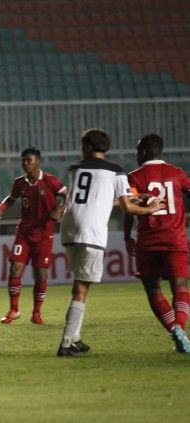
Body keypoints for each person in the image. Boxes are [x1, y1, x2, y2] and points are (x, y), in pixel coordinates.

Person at [57, 129, 163, 357]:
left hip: (69, 230)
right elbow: (128, 209)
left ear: (86, 147)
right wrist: (149, 208)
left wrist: (133, 197)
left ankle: (75, 337)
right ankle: (66, 343)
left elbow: (97, 198)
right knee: (82, 287)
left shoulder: (75, 169)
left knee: (80, 282)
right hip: (91, 232)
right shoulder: (116, 171)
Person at [122, 134, 190, 353]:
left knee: (153, 289)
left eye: (136, 151)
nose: (135, 155)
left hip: (149, 241)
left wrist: (126, 236)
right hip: (175, 239)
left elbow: (130, 205)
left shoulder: (134, 177)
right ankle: (181, 328)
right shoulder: (177, 173)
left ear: (143, 152)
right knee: (180, 287)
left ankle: (174, 330)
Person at [0, 147, 68, 325]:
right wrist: (1, 209)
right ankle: (14, 309)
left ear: (38, 162)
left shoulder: (50, 181)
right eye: (23, 160)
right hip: (24, 232)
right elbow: (11, 198)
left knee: (40, 274)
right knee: (15, 268)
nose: (25, 163)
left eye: (29, 160)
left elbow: (69, 195)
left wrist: (60, 209)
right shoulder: (20, 183)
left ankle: (36, 313)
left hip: (44, 234)